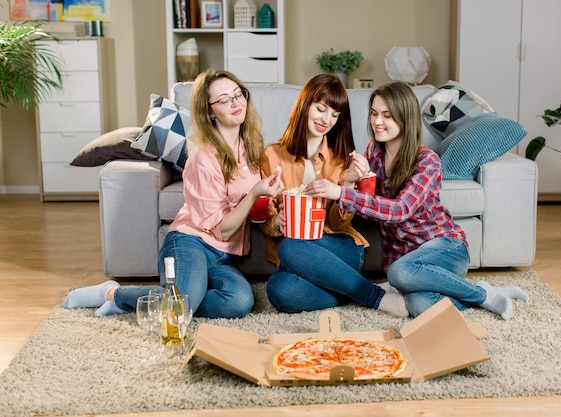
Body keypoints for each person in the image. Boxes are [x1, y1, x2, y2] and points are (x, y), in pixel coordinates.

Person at [63, 69, 283, 318]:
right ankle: (114, 294)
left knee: (239, 302)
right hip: (191, 243)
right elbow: (222, 229)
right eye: (223, 99)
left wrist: (274, 198)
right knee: (181, 307)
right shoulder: (203, 157)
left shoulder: (251, 145)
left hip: (225, 255)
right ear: (209, 111)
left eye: (237, 94)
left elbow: (254, 207)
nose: (235, 103)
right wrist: (255, 192)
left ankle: (169, 299)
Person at [305, 81, 528, 320]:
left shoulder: (427, 162)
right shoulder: (373, 153)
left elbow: (400, 210)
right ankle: (479, 291)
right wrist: (350, 180)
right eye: (374, 114)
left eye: (387, 116)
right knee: (419, 304)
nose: (378, 122)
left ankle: (484, 296)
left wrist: (340, 193)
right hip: (407, 262)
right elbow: (369, 208)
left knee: (399, 273)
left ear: (405, 118)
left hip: (445, 249)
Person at [260, 73, 408, 317]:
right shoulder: (272, 155)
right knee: (279, 290)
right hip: (299, 255)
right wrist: (276, 221)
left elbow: (340, 223)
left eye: (335, 115)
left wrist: (348, 183)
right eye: (321, 109)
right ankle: (357, 290)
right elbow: (265, 213)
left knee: (290, 247)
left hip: (340, 248)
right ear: (305, 105)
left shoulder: (341, 160)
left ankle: (375, 298)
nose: (327, 120)